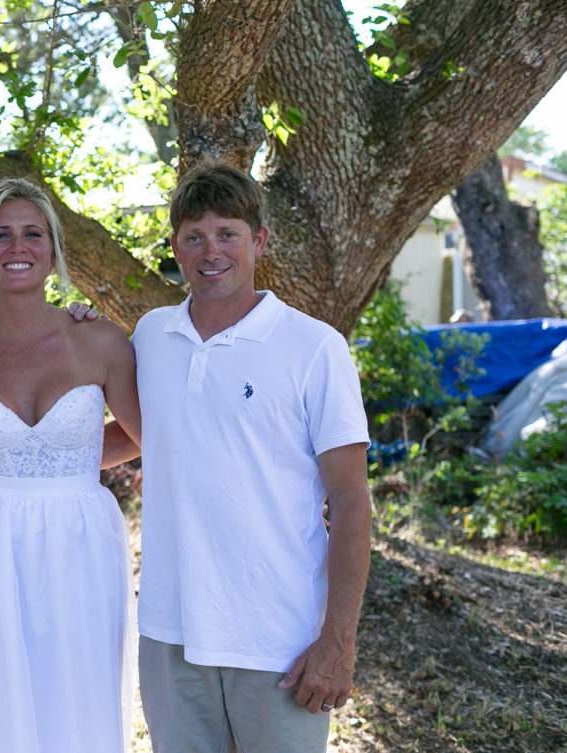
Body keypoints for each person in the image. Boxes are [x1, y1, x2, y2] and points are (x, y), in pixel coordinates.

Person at [122, 160, 372, 752]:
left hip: (277, 643)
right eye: (194, 236)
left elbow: (352, 503)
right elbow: (132, 433)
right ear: (176, 248)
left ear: (258, 240)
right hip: (169, 634)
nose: (212, 251)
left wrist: (337, 642)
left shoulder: (314, 347)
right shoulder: (150, 336)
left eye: (227, 233)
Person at [0, 178, 143, 753]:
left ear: (52, 251)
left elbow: (147, 434)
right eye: (0, 235)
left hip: (82, 540)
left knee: (79, 694)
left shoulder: (100, 340)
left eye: (32, 233)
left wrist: (64, 464)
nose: (16, 246)